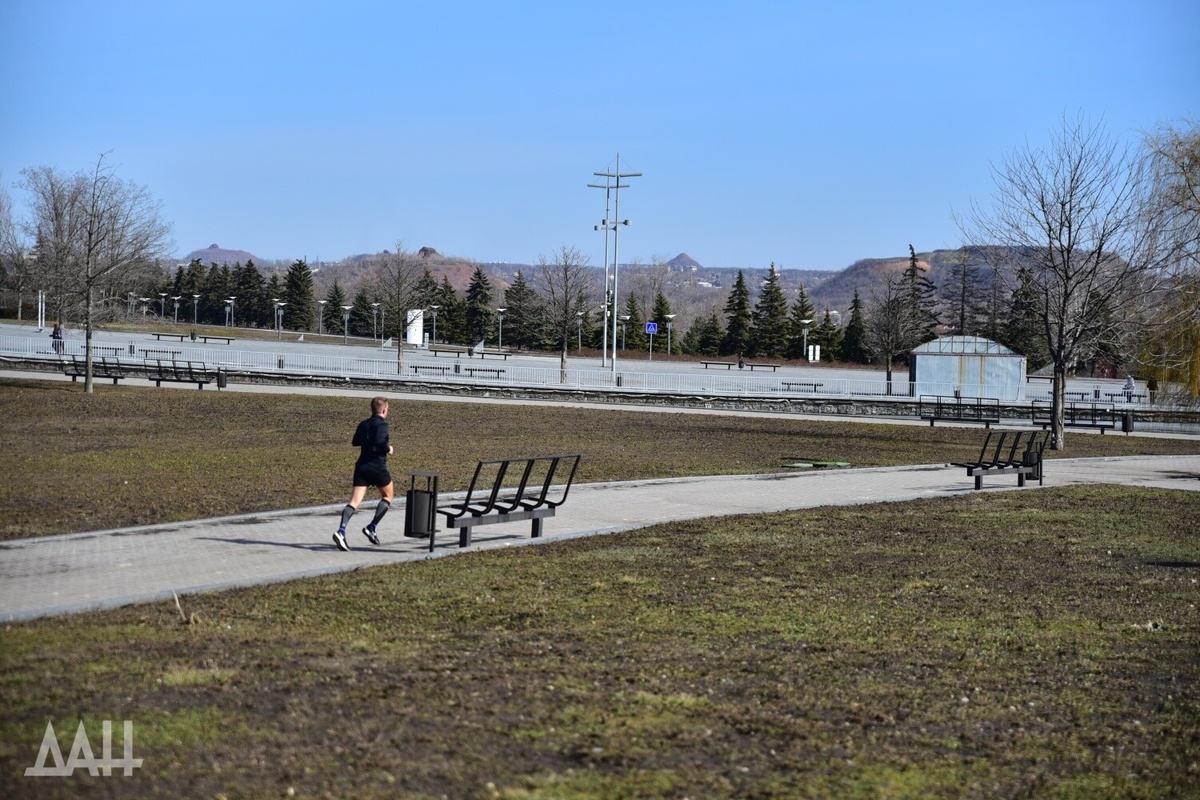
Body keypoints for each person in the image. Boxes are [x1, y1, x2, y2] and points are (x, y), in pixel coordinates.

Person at [333, 396, 395, 551]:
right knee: (388, 496)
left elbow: (355, 442)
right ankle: (371, 527)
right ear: (384, 409)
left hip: (361, 467)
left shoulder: (363, 424)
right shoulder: (382, 425)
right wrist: (389, 448)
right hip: (377, 467)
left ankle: (341, 531)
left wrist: (367, 440)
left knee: (354, 502)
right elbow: (381, 442)